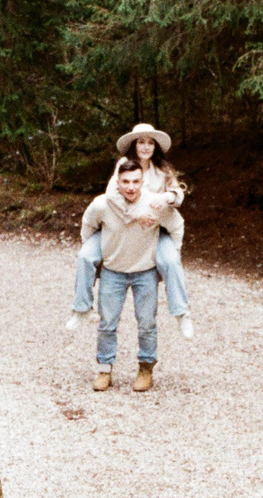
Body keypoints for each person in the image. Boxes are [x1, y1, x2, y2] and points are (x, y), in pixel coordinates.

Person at [65, 122, 194, 337]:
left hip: (153, 226)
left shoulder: (162, 170)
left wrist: (165, 197)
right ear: (134, 145)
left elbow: (177, 196)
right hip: (120, 220)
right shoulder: (124, 164)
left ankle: (182, 313)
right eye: (141, 142)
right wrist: (134, 214)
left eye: (150, 143)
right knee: (86, 256)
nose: (145, 147)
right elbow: (112, 195)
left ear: (155, 147)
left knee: (171, 261)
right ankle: (81, 307)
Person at [79, 159, 177, 391]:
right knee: (107, 323)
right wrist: (96, 253)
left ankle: (145, 368)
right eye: (125, 182)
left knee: (146, 323)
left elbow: (175, 224)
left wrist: (171, 257)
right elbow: (88, 227)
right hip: (114, 271)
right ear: (117, 183)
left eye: (135, 181)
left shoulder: (154, 203)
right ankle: (104, 369)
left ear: (143, 182)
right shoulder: (102, 204)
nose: (130, 187)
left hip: (145, 272)